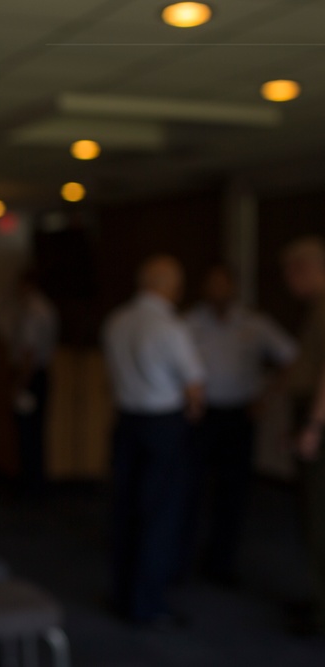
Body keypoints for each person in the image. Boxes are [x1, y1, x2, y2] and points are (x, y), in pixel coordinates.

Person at [103, 255, 205, 627]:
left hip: (126, 421)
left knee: (126, 510)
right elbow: (194, 385)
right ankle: (147, 603)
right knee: (160, 515)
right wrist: (194, 411)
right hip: (163, 426)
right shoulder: (170, 326)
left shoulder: (117, 320)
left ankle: (124, 593)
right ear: (166, 285)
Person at [184, 264, 296, 586]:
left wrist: (268, 397)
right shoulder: (190, 322)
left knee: (233, 492)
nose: (218, 290)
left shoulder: (254, 323)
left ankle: (222, 561)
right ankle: (183, 556)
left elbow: (291, 356)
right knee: (190, 488)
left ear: (234, 288)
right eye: (212, 284)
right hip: (202, 416)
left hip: (238, 416)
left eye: (224, 285)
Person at [281, 236, 325, 636]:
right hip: (312, 416)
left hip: (320, 422)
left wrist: (312, 426)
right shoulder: (314, 308)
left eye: (290, 272)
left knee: (319, 517)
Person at [11, 271, 58, 499]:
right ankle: (35, 485)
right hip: (39, 375)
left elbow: (29, 352)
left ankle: (32, 488)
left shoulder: (33, 310)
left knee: (29, 433)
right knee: (34, 433)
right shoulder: (44, 307)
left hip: (31, 377)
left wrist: (21, 383)